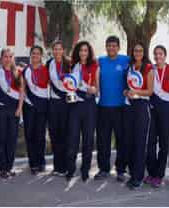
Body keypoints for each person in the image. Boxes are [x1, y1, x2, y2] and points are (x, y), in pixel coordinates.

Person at [95, 36, 130, 181]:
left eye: (114, 46)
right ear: (106, 46)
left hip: (121, 107)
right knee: (103, 141)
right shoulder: (100, 61)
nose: (111, 48)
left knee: (122, 140)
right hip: (102, 107)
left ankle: (121, 170)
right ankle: (103, 169)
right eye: (109, 46)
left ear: (119, 47)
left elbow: (140, 70)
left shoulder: (126, 60)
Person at [66, 41, 99, 182]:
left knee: (88, 140)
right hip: (74, 105)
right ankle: (71, 169)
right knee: (73, 139)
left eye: (85, 50)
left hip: (89, 105)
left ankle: (85, 170)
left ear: (89, 52)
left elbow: (97, 89)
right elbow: (69, 85)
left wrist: (93, 90)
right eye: (81, 50)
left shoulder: (95, 66)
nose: (83, 53)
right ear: (77, 52)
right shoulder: (73, 65)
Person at [123, 43, 154, 189]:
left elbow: (149, 91)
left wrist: (136, 92)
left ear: (144, 52)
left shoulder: (148, 68)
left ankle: (138, 177)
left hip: (142, 106)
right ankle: (133, 175)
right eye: (135, 50)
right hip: (129, 106)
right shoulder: (129, 67)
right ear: (132, 52)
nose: (138, 52)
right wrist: (126, 92)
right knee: (129, 141)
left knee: (140, 143)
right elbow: (127, 87)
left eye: (140, 50)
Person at [144, 45, 169, 188]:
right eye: (155, 54)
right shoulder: (151, 69)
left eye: (160, 54)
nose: (158, 56)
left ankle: (160, 175)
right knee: (150, 143)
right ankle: (151, 172)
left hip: (167, 109)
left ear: (165, 55)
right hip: (153, 107)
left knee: (164, 143)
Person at [0, 48, 24, 179]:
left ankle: (9, 167)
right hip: (0, 110)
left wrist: (19, 108)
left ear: (13, 58)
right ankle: (2, 168)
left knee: (12, 139)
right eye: (5, 56)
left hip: (14, 110)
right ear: (1, 58)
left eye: (10, 56)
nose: (7, 59)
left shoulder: (18, 73)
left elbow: (22, 91)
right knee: (1, 139)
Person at [22, 45, 49, 175]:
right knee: (30, 134)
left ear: (41, 56)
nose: (35, 56)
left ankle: (41, 161)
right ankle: (33, 163)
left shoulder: (46, 70)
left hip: (43, 106)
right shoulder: (25, 70)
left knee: (40, 135)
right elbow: (22, 89)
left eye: (38, 53)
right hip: (29, 106)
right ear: (30, 55)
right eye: (33, 53)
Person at [46, 41, 72, 176]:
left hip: (66, 103)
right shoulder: (49, 64)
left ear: (63, 50)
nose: (57, 51)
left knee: (64, 134)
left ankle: (66, 166)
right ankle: (57, 166)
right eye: (55, 49)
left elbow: (74, 84)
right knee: (54, 134)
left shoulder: (69, 63)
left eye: (59, 49)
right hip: (53, 104)